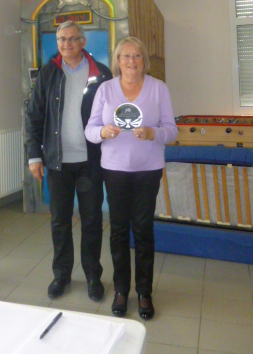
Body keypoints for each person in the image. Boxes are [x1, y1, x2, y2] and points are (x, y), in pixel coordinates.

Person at [85, 36, 177, 319]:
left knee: (144, 229)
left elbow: (171, 131)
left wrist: (152, 133)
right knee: (119, 230)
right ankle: (121, 290)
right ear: (118, 60)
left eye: (137, 56)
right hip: (115, 170)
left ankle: (145, 292)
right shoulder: (105, 89)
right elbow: (90, 130)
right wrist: (103, 132)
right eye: (126, 56)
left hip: (148, 170)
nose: (131, 61)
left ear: (144, 60)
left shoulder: (158, 88)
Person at [25, 21, 112, 301]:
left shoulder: (101, 73)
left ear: (83, 42)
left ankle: (92, 275)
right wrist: (34, 156)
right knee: (59, 222)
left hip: (91, 161)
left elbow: (112, 115)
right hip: (57, 162)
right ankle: (61, 275)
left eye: (72, 39)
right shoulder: (49, 72)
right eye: (62, 39)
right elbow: (34, 116)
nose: (66, 44)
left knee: (92, 221)